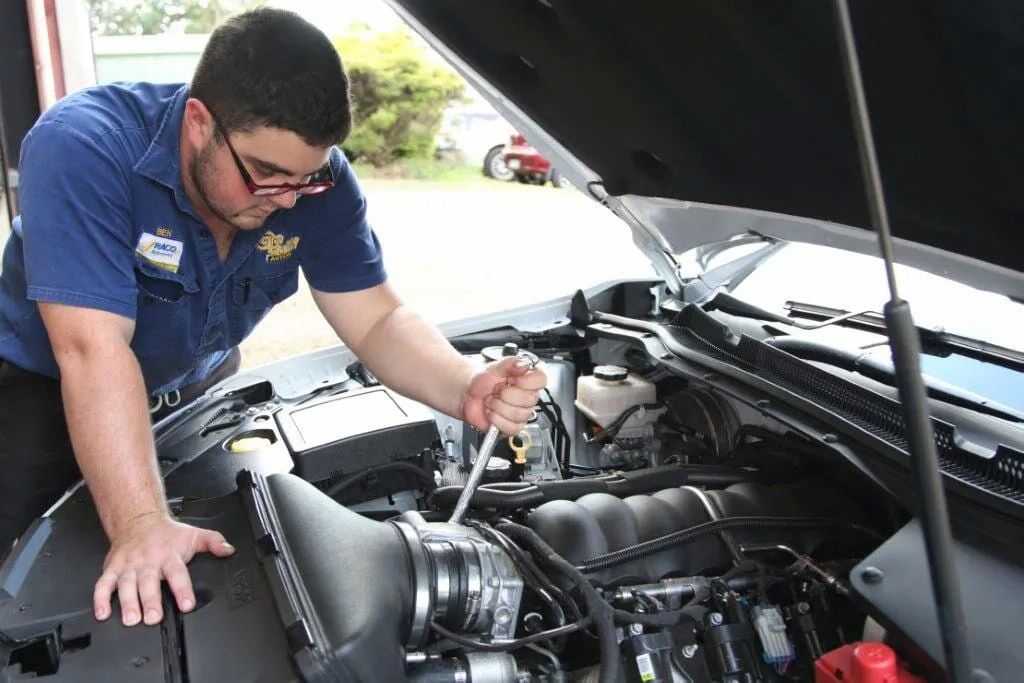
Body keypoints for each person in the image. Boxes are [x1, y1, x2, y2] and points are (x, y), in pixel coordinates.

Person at [0, 8, 545, 630]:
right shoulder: (84, 147)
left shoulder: (318, 184)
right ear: (199, 122)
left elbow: (375, 318)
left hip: (197, 390)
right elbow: (92, 352)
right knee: (25, 583)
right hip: (41, 393)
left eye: (306, 179)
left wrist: (460, 384)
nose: (288, 199)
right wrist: (142, 524)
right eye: (267, 174)